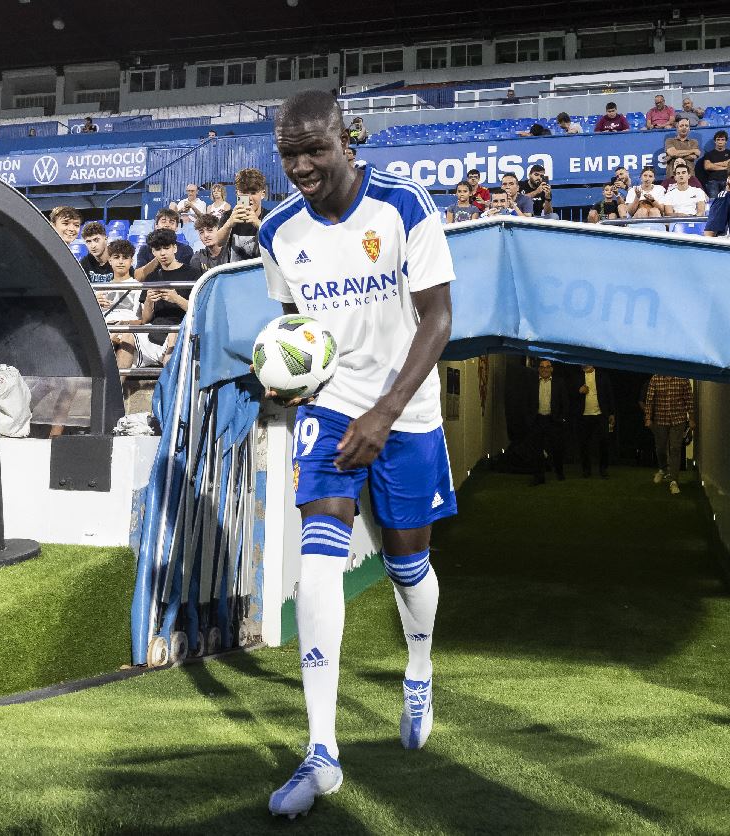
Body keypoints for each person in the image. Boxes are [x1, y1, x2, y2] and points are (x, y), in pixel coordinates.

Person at [258, 90, 457, 820]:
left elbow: (438, 319)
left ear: (347, 141)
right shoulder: (278, 231)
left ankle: (418, 666)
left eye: (315, 149)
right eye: (289, 154)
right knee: (318, 560)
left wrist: (385, 410)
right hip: (333, 409)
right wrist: (292, 378)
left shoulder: (404, 206)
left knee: (409, 565)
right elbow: (297, 324)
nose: (302, 166)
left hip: (408, 410)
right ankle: (321, 752)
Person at [136, 228, 198, 368]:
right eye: (158, 249)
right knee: (125, 338)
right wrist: (148, 301)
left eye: (166, 248)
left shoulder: (193, 275)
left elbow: (198, 311)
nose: (162, 253)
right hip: (155, 330)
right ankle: (118, 388)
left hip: (181, 330)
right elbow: (145, 319)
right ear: (153, 252)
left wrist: (176, 298)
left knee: (173, 334)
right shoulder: (151, 278)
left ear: (174, 248)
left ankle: (167, 386)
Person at [643, 375, 695, 495]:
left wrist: (691, 419)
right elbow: (649, 400)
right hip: (660, 419)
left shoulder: (683, 378)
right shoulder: (655, 379)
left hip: (678, 419)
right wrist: (648, 418)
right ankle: (662, 469)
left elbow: (689, 400)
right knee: (660, 448)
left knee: (675, 449)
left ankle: (674, 481)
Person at [97, 239, 141, 370]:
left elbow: (142, 320)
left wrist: (122, 324)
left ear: (131, 261)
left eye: (125, 257)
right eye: (116, 257)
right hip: (105, 330)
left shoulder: (140, 287)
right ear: (110, 260)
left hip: (127, 332)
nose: (121, 261)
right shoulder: (99, 289)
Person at [526, 359, 567, 485]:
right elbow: (526, 401)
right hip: (537, 420)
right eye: (542, 367)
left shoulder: (559, 382)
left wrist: (562, 418)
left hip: (553, 420)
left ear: (552, 369)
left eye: (547, 367)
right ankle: (539, 477)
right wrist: (529, 418)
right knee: (536, 450)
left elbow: (565, 402)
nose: (545, 369)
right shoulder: (532, 382)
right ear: (539, 369)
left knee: (557, 448)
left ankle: (559, 472)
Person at [215, 167, 268, 261]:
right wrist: (229, 224)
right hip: (235, 273)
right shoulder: (228, 216)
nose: (249, 198)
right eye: (244, 192)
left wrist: (259, 224)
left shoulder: (269, 217)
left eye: (253, 192)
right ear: (237, 193)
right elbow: (218, 242)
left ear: (262, 194)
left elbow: (279, 243)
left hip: (262, 273)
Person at [573, 365, 614, 478]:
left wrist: (611, 413)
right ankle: (586, 470)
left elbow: (609, 394)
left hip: (601, 415)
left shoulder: (602, 376)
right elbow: (569, 395)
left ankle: (603, 469)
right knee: (584, 444)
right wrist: (579, 391)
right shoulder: (577, 376)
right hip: (583, 415)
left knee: (604, 443)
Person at [134, 208, 194, 279]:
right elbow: (138, 278)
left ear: (177, 227)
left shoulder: (186, 249)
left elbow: (188, 275)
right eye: (163, 221)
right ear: (156, 226)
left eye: (171, 222)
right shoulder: (145, 249)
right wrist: (158, 257)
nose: (167, 225)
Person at [699, 130, 730, 200]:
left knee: (727, 202)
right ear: (715, 141)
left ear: (726, 141)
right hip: (713, 182)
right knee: (714, 202)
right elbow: (707, 166)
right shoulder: (709, 154)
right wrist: (725, 166)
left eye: (722, 139)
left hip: (727, 181)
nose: (720, 141)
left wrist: (713, 165)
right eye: (718, 139)